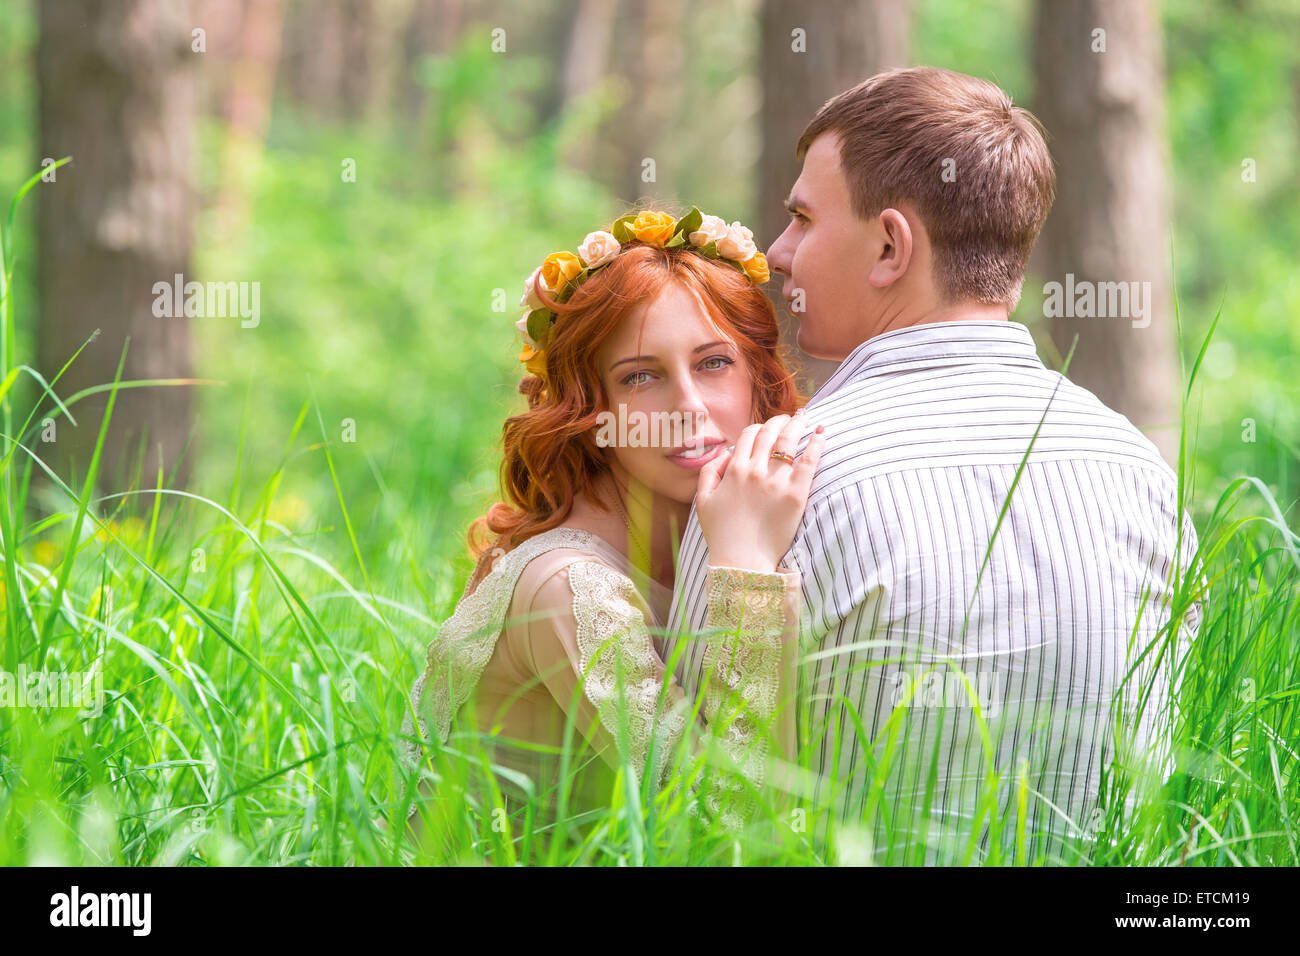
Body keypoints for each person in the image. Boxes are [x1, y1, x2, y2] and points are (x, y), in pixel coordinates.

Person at [666, 67, 1204, 863]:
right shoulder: (1143, 472)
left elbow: (710, 812)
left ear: (890, 245)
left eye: (803, 219)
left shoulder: (777, 482)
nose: (777, 253)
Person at [399, 208, 827, 845]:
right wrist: (747, 568)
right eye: (640, 377)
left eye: (713, 364)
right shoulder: (568, 587)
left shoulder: (690, 529)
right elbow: (723, 830)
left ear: (757, 379)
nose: (687, 405)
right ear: (591, 412)